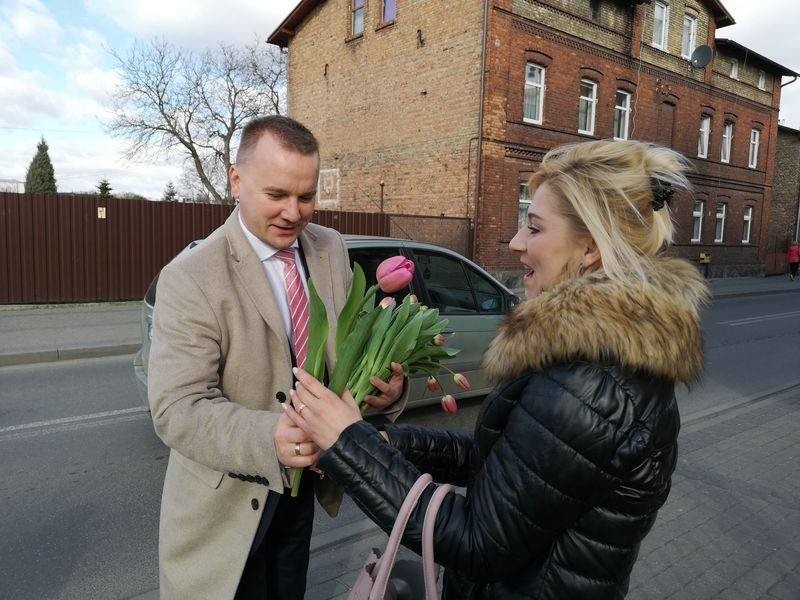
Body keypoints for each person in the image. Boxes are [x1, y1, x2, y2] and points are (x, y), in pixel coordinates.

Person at [281, 139, 710, 599]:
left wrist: (349, 443)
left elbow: (476, 541)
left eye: (535, 228)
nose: (516, 242)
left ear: (588, 249)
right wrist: (391, 442)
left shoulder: (589, 381)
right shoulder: (598, 358)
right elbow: (507, 468)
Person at [147, 115, 406, 600]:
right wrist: (271, 438)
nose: (294, 212)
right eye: (277, 195)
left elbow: (347, 359)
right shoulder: (191, 276)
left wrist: (387, 393)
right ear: (237, 181)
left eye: (306, 196)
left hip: (302, 496)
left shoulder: (329, 248)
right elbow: (176, 408)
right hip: (224, 509)